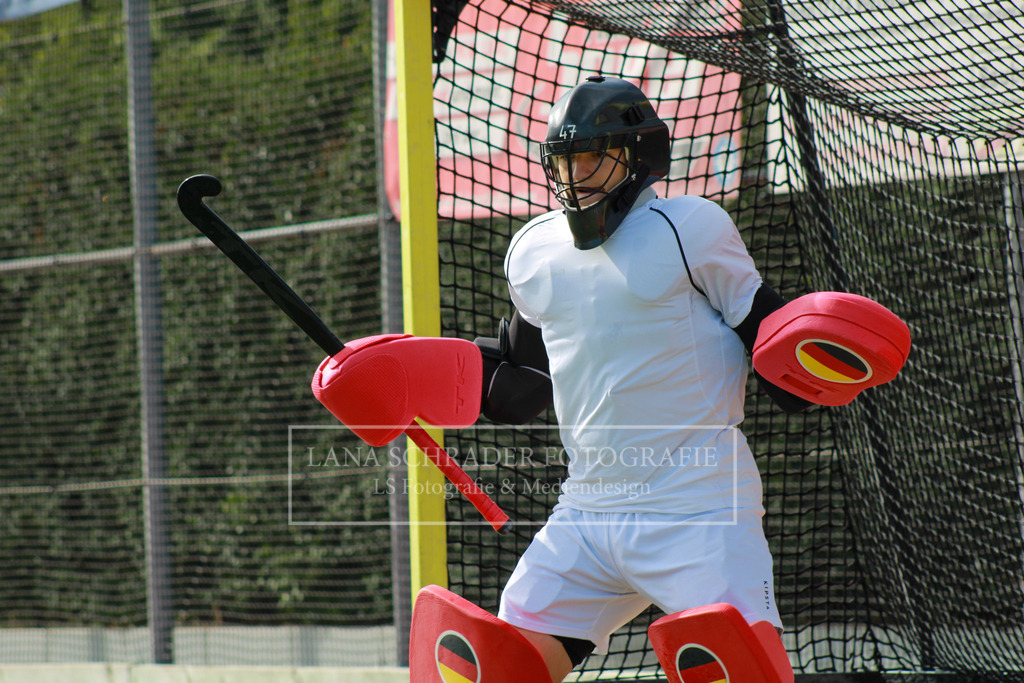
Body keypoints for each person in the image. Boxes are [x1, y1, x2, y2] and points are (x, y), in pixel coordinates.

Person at [472, 75, 810, 682]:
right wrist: (409, 379)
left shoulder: (692, 227)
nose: (575, 176)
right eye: (564, 161)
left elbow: (775, 350)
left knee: (747, 675)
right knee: (496, 671)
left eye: (592, 157)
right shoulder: (535, 250)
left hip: (700, 510)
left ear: (637, 156)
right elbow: (520, 386)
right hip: (587, 513)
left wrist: (817, 362)